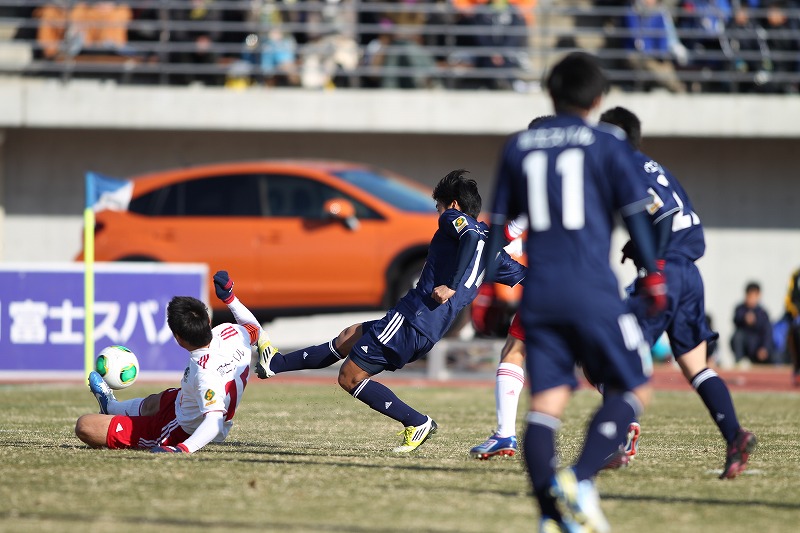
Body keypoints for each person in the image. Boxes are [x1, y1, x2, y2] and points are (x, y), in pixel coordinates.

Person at [483, 51, 667, 532]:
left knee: (545, 407)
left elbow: (498, 224)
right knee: (636, 386)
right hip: (592, 289)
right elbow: (635, 216)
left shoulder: (519, 146)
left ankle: (550, 518)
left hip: (539, 292)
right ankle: (581, 479)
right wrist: (654, 273)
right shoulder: (606, 144)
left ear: (550, 93)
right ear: (599, 98)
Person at [254, 169, 527, 452]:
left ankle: (416, 422)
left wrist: (453, 286)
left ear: (453, 205)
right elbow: (528, 278)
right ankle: (276, 364)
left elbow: (468, 235)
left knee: (350, 377)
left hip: (413, 319)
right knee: (349, 336)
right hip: (426, 328)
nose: (439, 214)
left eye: (439, 207)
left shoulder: (456, 221)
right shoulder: (493, 249)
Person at [600, 106, 757, 481]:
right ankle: (735, 435)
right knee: (696, 366)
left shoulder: (627, 167)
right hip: (689, 272)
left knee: (611, 354)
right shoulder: (654, 166)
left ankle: (617, 440)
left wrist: (652, 264)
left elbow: (664, 213)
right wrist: (640, 248)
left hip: (667, 273)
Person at [74, 271, 264, 453]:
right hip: (185, 402)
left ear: (178, 338)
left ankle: (118, 422)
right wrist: (230, 299)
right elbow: (255, 328)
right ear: (208, 319)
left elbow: (213, 422)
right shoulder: (231, 332)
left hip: (181, 429)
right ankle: (111, 407)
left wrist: (182, 449)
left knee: (85, 425)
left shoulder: (205, 372)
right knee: (153, 402)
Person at [731, 281, 774, 365]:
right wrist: (744, 318)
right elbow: (736, 320)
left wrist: (765, 348)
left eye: (754, 296)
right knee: (738, 336)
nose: (751, 299)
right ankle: (739, 362)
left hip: (757, 347)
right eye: (750, 296)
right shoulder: (740, 309)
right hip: (745, 345)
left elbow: (767, 332)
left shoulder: (762, 313)